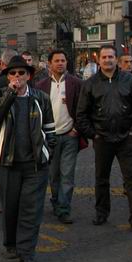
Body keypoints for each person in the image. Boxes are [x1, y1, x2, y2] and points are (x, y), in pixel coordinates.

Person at [0, 56, 56, 262]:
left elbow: (50, 129)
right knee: (10, 207)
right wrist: (10, 94)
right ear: (8, 76)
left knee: (31, 209)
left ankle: (27, 252)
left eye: (21, 73)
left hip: (34, 165)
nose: (17, 76)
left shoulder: (41, 98)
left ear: (29, 75)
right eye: (13, 73)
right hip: (7, 163)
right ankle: (11, 244)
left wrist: (47, 152)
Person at [76, 44, 132, 231]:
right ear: (98, 60)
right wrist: (93, 134)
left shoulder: (131, 81)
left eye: (111, 57)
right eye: (104, 57)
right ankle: (101, 213)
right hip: (102, 139)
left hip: (126, 138)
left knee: (131, 179)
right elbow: (81, 113)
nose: (108, 60)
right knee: (101, 178)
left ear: (117, 59)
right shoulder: (90, 84)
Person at [35, 49, 84, 224]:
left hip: (70, 135)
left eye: (63, 60)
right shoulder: (41, 86)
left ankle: (64, 208)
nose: (60, 63)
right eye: (56, 61)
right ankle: (56, 201)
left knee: (67, 174)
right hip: (50, 137)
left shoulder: (76, 83)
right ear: (50, 64)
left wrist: (76, 129)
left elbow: (82, 108)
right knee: (53, 174)